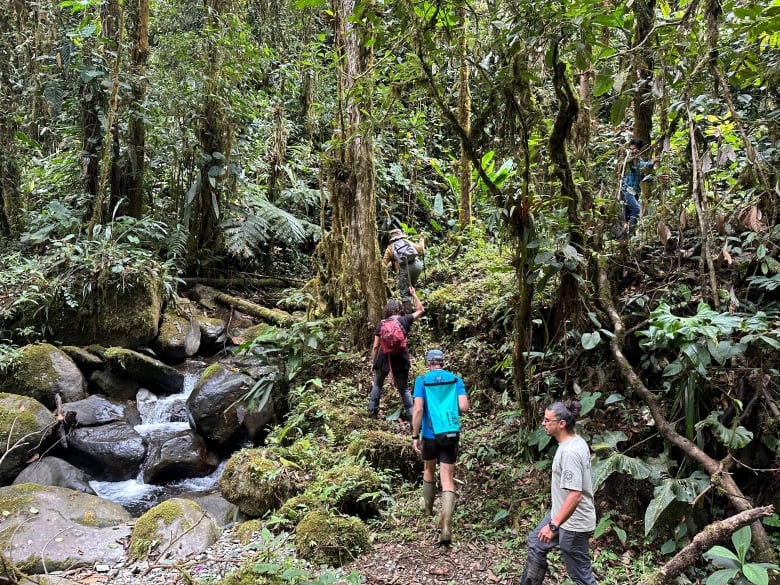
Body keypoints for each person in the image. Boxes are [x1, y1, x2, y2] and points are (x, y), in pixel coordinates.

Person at [519, 400, 598, 585]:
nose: (543, 424)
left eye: (547, 420)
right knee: (537, 543)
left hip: (574, 523)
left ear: (561, 424)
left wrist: (553, 526)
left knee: (580, 576)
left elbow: (575, 495)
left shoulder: (570, 452)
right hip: (562, 514)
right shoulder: (573, 441)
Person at [411, 349, 469, 546]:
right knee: (447, 478)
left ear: (428, 363)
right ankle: (445, 526)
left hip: (429, 434)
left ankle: (427, 508)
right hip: (450, 432)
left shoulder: (422, 380)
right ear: (443, 362)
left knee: (429, 469)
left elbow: (418, 409)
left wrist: (414, 435)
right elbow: (463, 407)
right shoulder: (455, 380)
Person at [368, 288, 424, 420]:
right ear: (399, 310)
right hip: (401, 359)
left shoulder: (382, 324)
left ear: (387, 311)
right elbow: (421, 310)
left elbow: (376, 346)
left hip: (383, 358)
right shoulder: (405, 320)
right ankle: (413, 421)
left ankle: (372, 414)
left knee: (377, 384)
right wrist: (414, 295)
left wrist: (373, 361)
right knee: (404, 390)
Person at [383, 228, 425, 313]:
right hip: (417, 265)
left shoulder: (390, 248)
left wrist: (384, 274)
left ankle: (408, 314)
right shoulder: (407, 242)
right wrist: (421, 238)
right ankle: (416, 306)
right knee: (411, 287)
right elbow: (421, 248)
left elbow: (383, 264)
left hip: (405, 269)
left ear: (391, 239)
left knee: (405, 293)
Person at [620, 138, 656, 230]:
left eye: (634, 149)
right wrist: (652, 162)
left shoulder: (638, 159)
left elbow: (642, 169)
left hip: (635, 191)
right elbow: (641, 165)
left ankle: (628, 237)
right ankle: (628, 232)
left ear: (639, 150)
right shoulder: (628, 159)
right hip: (627, 190)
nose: (632, 151)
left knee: (628, 213)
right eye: (630, 149)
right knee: (636, 209)